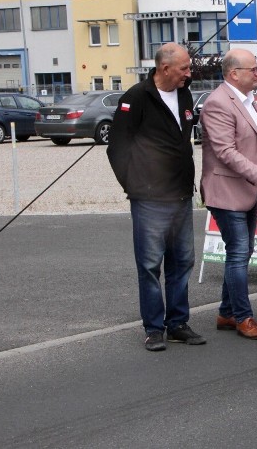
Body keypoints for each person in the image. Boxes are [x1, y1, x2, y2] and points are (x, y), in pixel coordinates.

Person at [107, 43, 205, 352]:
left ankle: (177, 323)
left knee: (182, 262)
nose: (189, 73)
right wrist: (136, 185)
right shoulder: (136, 98)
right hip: (149, 200)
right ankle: (153, 328)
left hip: (180, 197)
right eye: (184, 69)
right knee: (150, 266)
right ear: (164, 69)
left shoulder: (185, 94)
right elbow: (117, 149)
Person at [200, 48, 257, 340]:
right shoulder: (218, 103)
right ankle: (243, 317)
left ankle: (226, 312)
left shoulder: (248, 100)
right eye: (254, 69)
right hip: (226, 190)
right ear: (234, 74)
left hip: (247, 188)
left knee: (243, 251)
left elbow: (254, 141)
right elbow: (225, 151)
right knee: (238, 253)